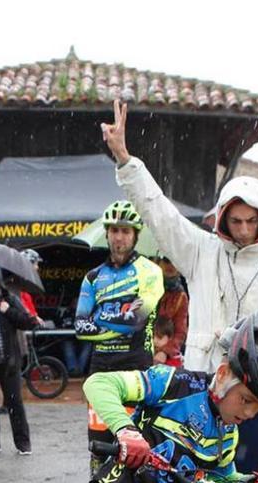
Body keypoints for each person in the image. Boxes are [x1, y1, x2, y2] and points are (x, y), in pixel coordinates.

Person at [102, 99, 258, 473]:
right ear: (222, 217)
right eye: (234, 220)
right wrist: (126, 160)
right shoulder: (202, 251)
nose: (241, 230)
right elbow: (160, 214)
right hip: (200, 396)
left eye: (251, 221)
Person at [83, 311, 258, 483]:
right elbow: (98, 384)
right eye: (246, 400)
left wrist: (252, 480)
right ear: (223, 374)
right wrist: (126, 431)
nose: (249, 413)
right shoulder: (174, 383)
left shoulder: (228, 432)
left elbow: (219, 478)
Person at [74, 199, 165, 476]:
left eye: (125, 231)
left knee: (138, 448)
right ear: (107, 233)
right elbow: (80, 326)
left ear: (136, 234)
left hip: (137, 368)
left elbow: (136, 321)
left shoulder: (150, 272)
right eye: (114, 230)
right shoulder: (92, 277)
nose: (119, 237)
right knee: (100, 448)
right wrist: (120, 318)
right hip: (101, 368)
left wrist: (100, 318)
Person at [0, 264, 42, 457]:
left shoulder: (9, 299)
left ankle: (23, 444)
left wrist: (7, 311)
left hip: (9, 360)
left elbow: (28, 321)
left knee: (14, 404)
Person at [153, 256, 188, 366]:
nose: (171, 265)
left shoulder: (181, 296)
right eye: (167, 260)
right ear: (158, 261)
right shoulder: (145, 287)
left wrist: (164, 352)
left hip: (165, 358)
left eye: (175, 261)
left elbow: (180, 332)